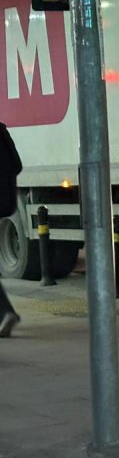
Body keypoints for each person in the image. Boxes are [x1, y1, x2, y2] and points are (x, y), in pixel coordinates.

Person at [0, 121, 21, 338]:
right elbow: (17, 165)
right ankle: (5, 312)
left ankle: (5, 312)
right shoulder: (2, 130)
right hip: (5, 202)